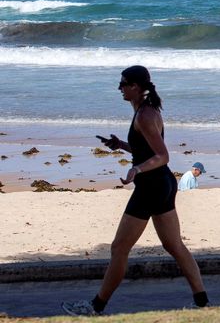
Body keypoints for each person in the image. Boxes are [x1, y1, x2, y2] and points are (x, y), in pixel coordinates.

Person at [61, 65, 210, 316]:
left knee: (119, 248)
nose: (119, 88)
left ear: (136, 87)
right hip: (162, 184)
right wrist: (121, 144)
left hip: (151, 186)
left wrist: (136, 169)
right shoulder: (145, 111)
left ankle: (95, 307)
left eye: (123, 84)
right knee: (175, 245)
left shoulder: (144, 115)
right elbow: (147, 150)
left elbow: (162, 155)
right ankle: (203, 303)